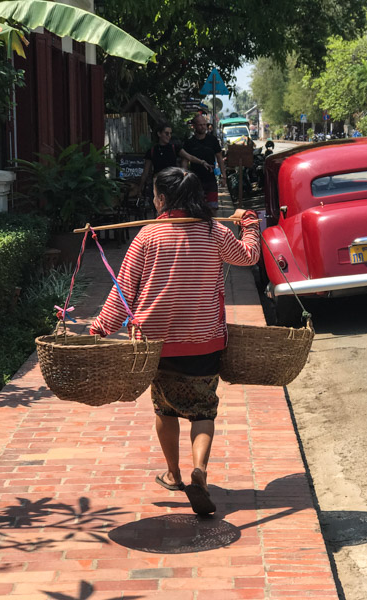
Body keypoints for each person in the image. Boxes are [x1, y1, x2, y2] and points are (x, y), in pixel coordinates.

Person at [89, 167, 261, 515]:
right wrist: (250, 223)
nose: (153, 200)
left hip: (157, 343)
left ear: (163, 199)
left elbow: (124, 291)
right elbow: (249, 256)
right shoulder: (214, 232)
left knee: (164, 408)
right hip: (204, 340)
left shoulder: (147, 237)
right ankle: (200, 469)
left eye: (155, 195)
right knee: (203, 410)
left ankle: (173, 472)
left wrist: (100, 328)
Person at [133, 122, 212, 198]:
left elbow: (189, 157)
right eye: (166, 133)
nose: (169, 136)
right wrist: (140, 188)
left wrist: (202, 162)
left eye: (170, 133)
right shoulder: (152, 151)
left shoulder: (174, 148)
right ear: (159, 134)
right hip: (158, 184)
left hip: (172, 183)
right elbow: (145, 172)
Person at [183, 114, 227, 214]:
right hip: (195, 181)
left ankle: (212, 229)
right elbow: (185, 161)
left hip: (211, 180)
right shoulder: (189, 143)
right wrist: (184, 178)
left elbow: (219, 158)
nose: (203, 127)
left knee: (212, 209)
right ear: (194, 126)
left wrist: (223, 176)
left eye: (205, 124)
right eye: (200, 125)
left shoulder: (213, 140)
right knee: (196, 210)